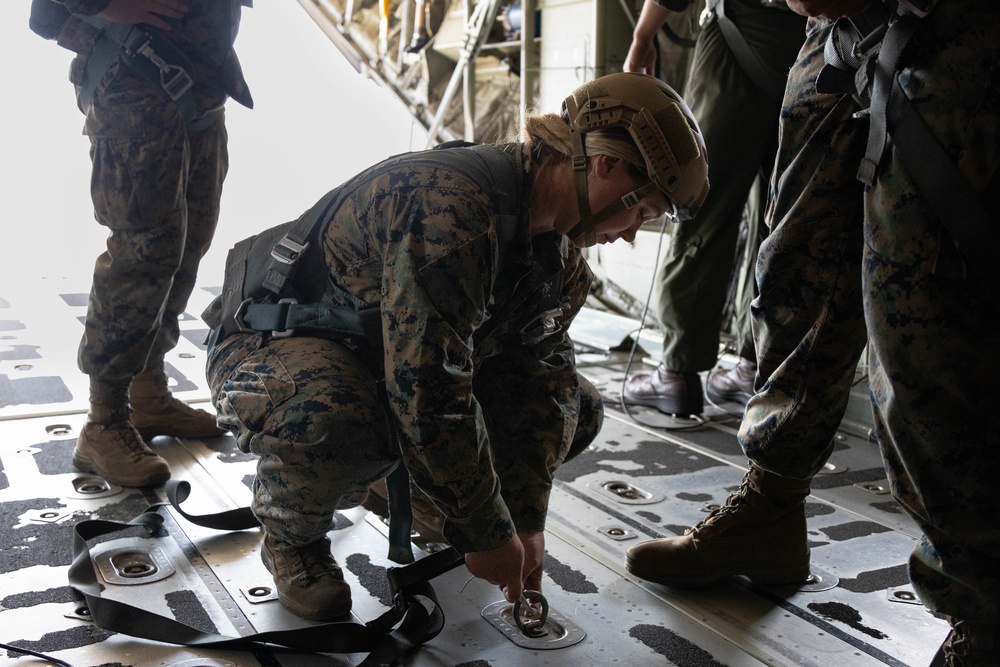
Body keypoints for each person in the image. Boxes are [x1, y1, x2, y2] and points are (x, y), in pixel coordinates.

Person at [202, 72, 709, 621]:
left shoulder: (558, 261)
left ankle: (404, 482)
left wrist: (522, 521)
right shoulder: (451, 212)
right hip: (270, 347)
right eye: (642, 211)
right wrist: (483, 528)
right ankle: (292, 538)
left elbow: (541, 386)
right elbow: (427, 389)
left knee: (578, 408)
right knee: (341, 422)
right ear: (604, 165)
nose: (632, 233)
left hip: (380, 365)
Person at [624, 1, 999, 663]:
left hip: (942, 24)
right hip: (829, 32)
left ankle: (983, 602)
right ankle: (771, 502)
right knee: (793, 265)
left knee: (919, 314)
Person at [41, 0, 254, 488]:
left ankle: (148, 395)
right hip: (135, 79)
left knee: (187, 242)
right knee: (144, 253)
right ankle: (104, 423)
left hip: (199, 84)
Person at [621, 0, 806, 415]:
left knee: (700, 204)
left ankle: (678, 372)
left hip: (737, 40)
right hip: (812, 51)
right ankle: (753, 364)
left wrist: (643, 34)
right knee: (778, 220)